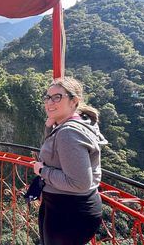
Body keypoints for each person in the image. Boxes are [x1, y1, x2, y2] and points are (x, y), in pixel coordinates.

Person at [33, 77, 107, 245]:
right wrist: (49, 126)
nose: (49, 102)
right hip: (68, 207)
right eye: (48, 97)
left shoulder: (68, 133)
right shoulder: (78, 123)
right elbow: (56, 150)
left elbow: (79, 183)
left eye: (57, 97)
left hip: (69, 211)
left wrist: (42, 171)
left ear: (74, 101)